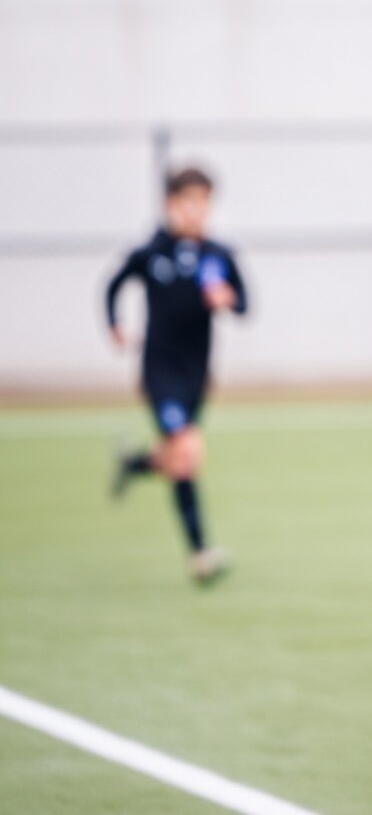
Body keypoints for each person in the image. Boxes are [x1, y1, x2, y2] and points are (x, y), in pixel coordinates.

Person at [105, 164, 247, 585]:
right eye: (188, 202)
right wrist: (114, 324)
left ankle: (135, 464)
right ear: (171, 205)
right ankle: (200, 552)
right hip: (159, 373)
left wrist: (227, 299)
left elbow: (244, 305)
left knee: (178, 457)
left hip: (197, 376)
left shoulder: (217, 255)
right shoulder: (152, 252)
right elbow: (113, 284)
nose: (197, 212)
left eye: (204, 203)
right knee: (187, 452)